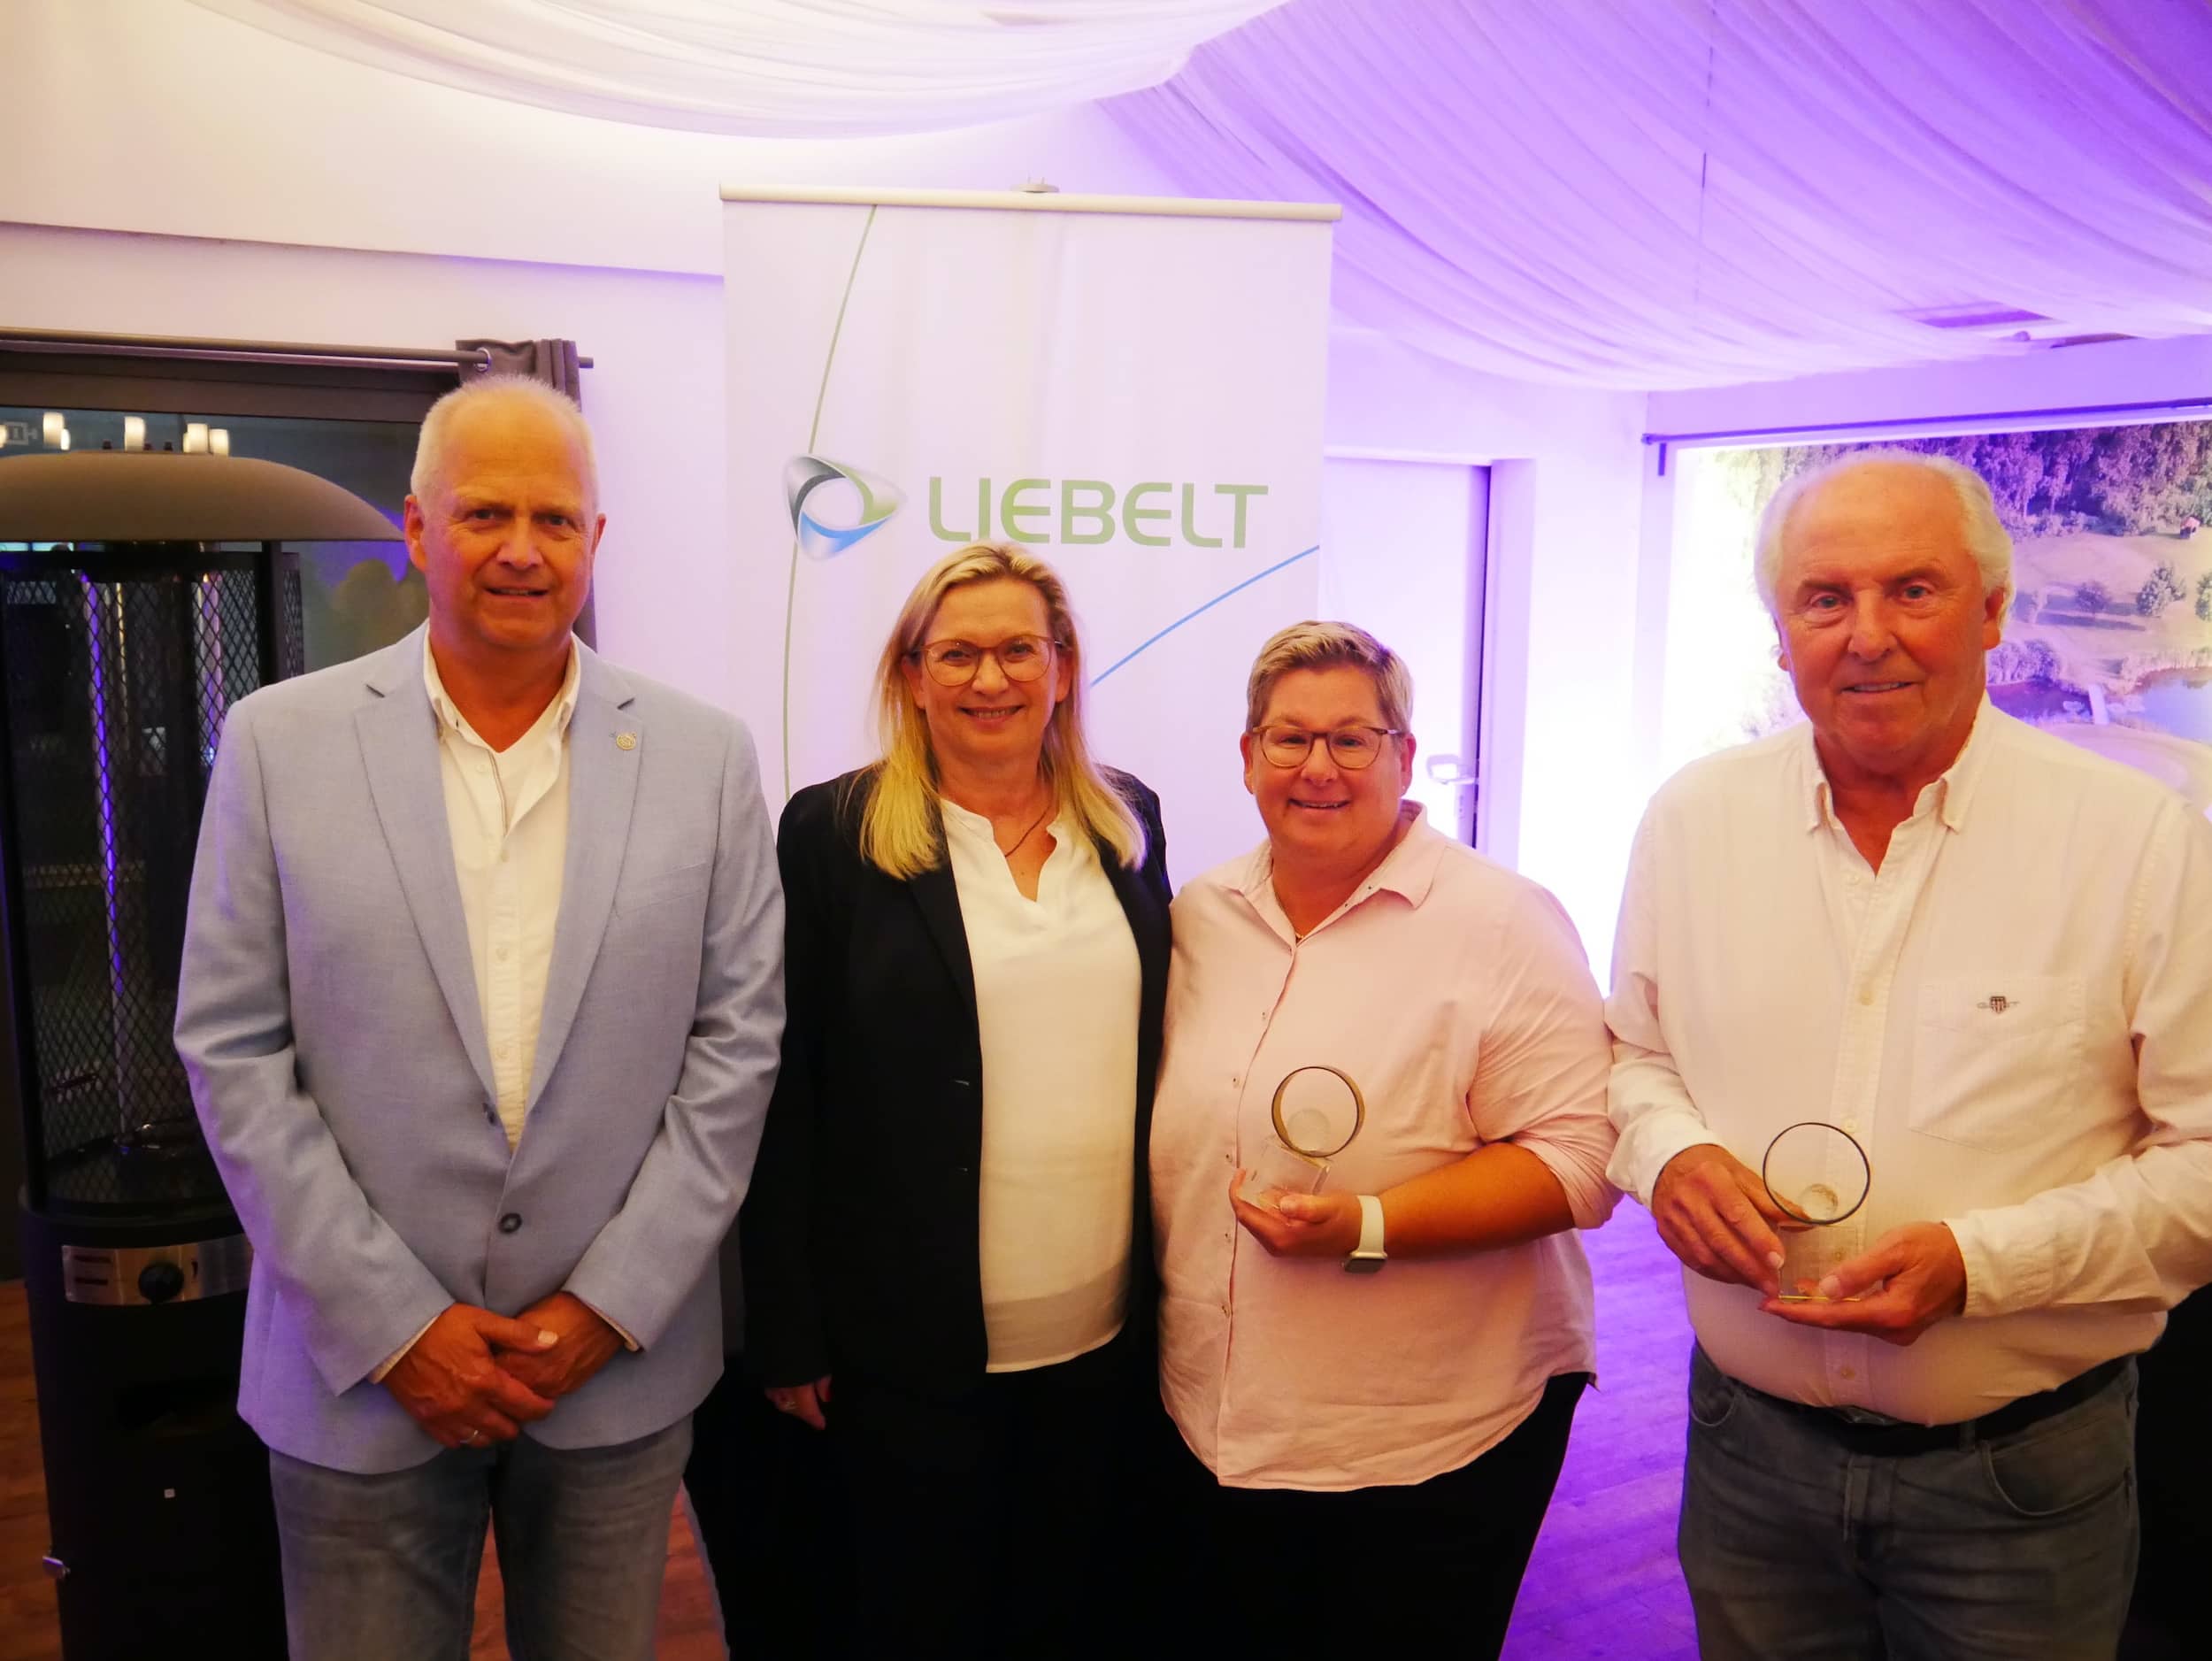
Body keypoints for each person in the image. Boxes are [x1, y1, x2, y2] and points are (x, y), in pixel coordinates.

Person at [173, 375, 784, 1659]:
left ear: (596, 539)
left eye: (555, 519)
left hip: (614, 1368)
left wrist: (608, 1303)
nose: (522, 549)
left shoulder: (705, 756)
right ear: (417, 528)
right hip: (357, 1376)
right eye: (485, 514)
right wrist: (396, 1324)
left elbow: (737, 1046)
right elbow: (231, 1049)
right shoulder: (278, 743)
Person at [1607, 450, 2212, 1661]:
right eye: (1825, 597)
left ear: (1992, 611)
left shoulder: (2135, 840)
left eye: (1913, 589)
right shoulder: (1693, 819)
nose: (1868, 634)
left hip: (2015, 1486)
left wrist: (1979, 1265)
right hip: (1745, 1460)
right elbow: (1631, 1057)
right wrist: (1668, 1155)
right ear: (1782, 632)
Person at [737, 542, 1173, 1657]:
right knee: (916, 1617)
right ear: (912, 674)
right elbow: (784, 1087)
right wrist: (786, 1326)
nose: (991, 679)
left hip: (1101, 1333)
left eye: (1018, 649)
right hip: (905, 1348)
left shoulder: (1126, 821)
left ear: (1062, 667)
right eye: (958, 654)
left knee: (1064, 1612)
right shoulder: (833, 833)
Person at [1148, 620, 1617, 1656]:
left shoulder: (1501, 920)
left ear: (1404, 756)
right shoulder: (1201, 914)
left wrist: (1366, 1223)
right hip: (1212, 1421)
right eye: (1288, 738)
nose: (1317, 767)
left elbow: (1581, 1161)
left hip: (1425, 1441)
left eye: (1351, 738)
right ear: (1247, 756)